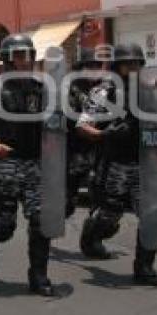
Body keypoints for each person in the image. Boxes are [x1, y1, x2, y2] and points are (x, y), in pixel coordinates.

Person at [0, 34, 56, 297]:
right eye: (18, 55)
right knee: (5, 226)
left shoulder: (42, 89)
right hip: (3, 164)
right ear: (7, 59)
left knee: (41, 220)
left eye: (28, 55)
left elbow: (56, 122)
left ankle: (39, 275)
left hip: (35, 164)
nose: (24, 61)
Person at [77, 43, 157, 285]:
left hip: (143, 162)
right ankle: (92, 233)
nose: (133, 68)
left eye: (137, 64)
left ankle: (144, 267)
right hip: (114, 162)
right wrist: (105, 135)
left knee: (152, 215)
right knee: (109, 215)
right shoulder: (105, 91)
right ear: (118, 66)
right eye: (128, 64)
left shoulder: (148, 91)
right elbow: (83, 126)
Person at [66, 47, 107, 218]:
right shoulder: (71, 88)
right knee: (67, 198)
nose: (94, 70)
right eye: (90, 66)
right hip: (75, 144)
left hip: (100, 143)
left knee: (99, 186)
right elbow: (70, 115)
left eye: (97, 66)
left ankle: (94, 228)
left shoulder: (106, 87)